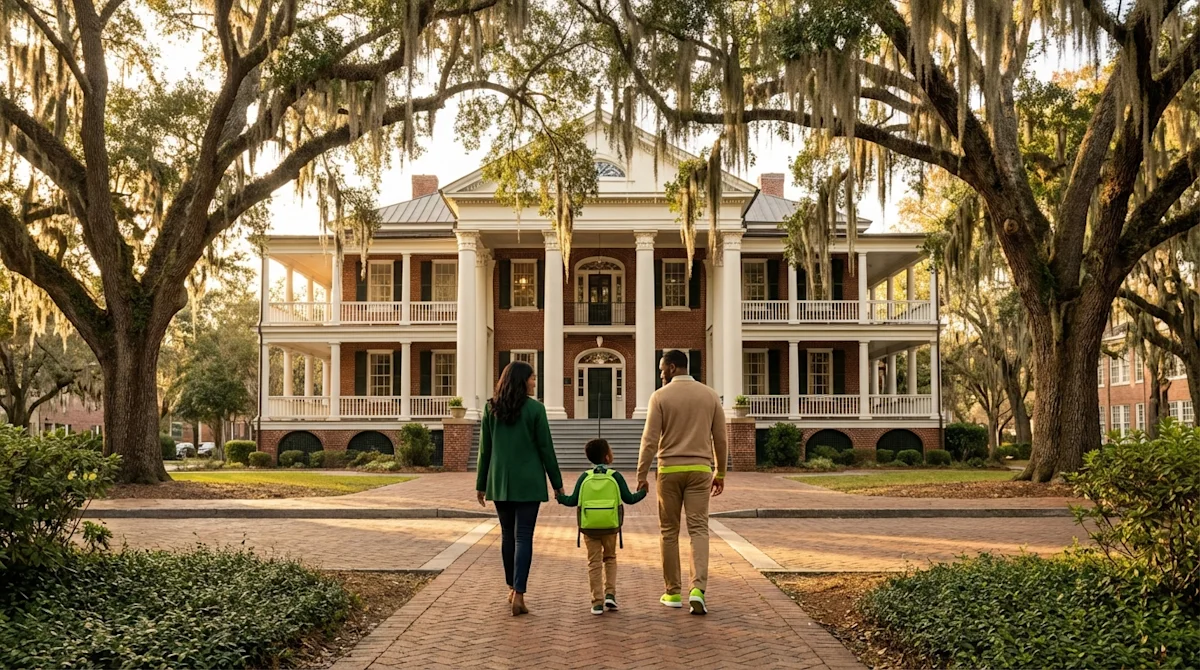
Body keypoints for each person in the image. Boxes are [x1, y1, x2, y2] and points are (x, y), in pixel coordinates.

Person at [636, 348, 727, 615]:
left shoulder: (660, 397)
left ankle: (672, 592)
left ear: (673, 367)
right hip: (700, 469)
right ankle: (697, 589)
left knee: (669, 532)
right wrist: (720, 472)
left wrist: (641, 475)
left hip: (669, 470)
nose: (661, 374)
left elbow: (649, 440)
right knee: (699, 529)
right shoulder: (710, 395)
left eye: (662, 369)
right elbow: (720, 438)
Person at [475, 360, 565, 616]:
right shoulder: (536, 409)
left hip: (500, 482)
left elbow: (485, 451)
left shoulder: (490, 408)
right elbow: (546, 449)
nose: (535, 382)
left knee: (507, 536)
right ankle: (519, 593)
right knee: (523, 536)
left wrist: (481, 485)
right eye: (532, 378)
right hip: (529, 482)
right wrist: (557, 485)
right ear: (521, 380)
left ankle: (511, 588)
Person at [556, 438, 647, 615]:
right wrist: (643, 492)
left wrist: (560, 497)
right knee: (610, 558)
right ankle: (610, 594)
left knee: (594, 562)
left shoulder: (585, 477)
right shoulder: (615, 476)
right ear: (607, 457)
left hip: (589, 526)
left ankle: (597, 602)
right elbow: (629, 499)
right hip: (610, 526)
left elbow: (573, 501)